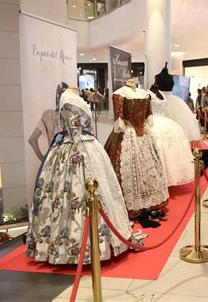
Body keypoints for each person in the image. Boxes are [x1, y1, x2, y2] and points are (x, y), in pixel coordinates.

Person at [26, 86, 136, 264]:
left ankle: (106, 241)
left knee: (104, 193)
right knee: (73, 194)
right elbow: (74, 130)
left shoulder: (74, 97)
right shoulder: (68, 99)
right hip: (77, 149)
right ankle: (68, 248)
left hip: (87, 146)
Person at [104, 79, 169, 223]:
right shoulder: (119, 94)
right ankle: (134, 204)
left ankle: (148, 204)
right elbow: (119, 118)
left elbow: (148, 114)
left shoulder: (144, 94)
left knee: (148, 167)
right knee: (128, 168)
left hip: (142, 133)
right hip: (129, 133)